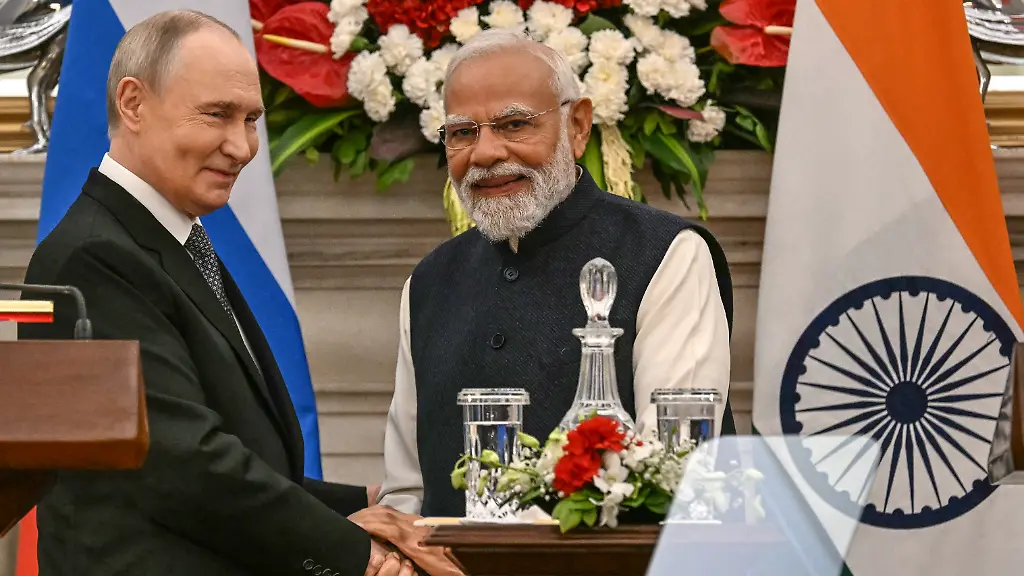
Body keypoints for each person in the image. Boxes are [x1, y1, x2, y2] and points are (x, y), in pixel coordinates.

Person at [19, 10, 459, 576]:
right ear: (132, 104)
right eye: (216, 115)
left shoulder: (167, 236)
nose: (243, 146)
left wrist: (368, 507)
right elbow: (186, 463)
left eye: (252, 119)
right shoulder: (95, 255)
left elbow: (239, 452)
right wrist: (360, 557)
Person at [377, 29, 736, 518]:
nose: (484, 154)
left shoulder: (667, 254)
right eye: (462, 133)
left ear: (578, 126)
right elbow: (405, 491)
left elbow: (674, 478)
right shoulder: (429, 282)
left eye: (514, 125)